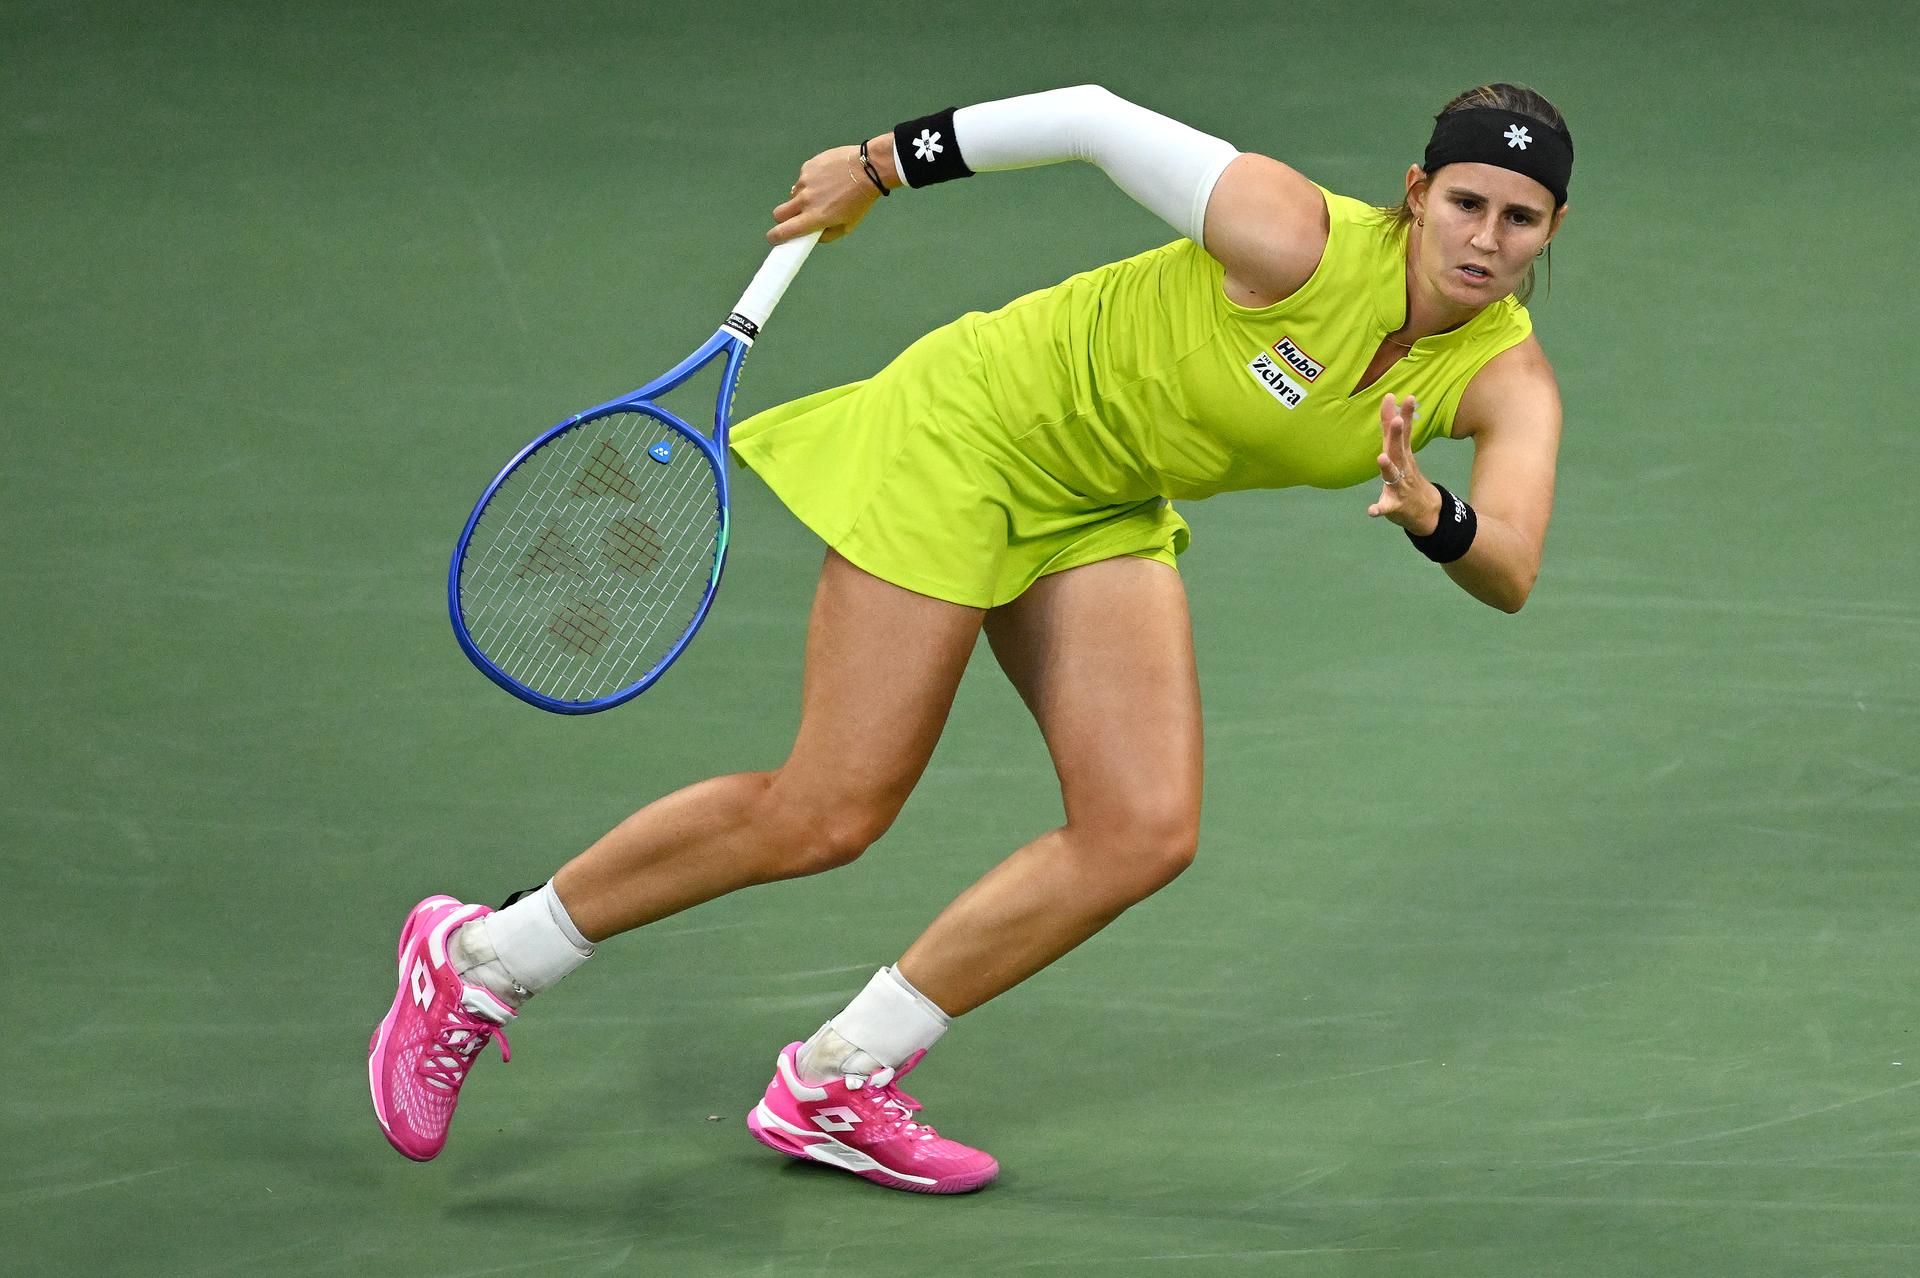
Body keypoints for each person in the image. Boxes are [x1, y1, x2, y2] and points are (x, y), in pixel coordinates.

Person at [370, 82, 1572, 1194]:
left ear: (1551, 229)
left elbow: (1508, 566)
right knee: (829, 812)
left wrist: (1437, 516)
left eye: (1521, 219)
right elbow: (1093, 119)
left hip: (1099, 505)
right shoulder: (1288, 232)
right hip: (968, 436)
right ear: (1417, 195)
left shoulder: (1507, 377)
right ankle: (481, 957)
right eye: (1466, 202)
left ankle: (837, 1081)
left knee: (1141, 830)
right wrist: (877, 167)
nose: (1486, 239)